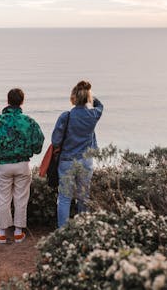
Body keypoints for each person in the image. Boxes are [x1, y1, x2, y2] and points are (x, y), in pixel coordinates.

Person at [0, 88, 44, 244]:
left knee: (3, 198)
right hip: (23, 164)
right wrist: (29, 149)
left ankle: (2, 233)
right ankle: (18, 232)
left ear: (8, 100)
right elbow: (38, 144)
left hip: (4, 165)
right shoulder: (29, 122)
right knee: (21, 198)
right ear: (22, 101)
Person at [52, 80, 103, 228]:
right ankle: (82, 229)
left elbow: (55, 140)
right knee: (83, 197)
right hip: (86, 161)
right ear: (87, 98)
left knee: (64, 198)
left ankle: (63, 231)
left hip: (67, 161)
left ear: (73, 98)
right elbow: (100, 106)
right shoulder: (93, 115)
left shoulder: (65, 117)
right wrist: (90, 96)